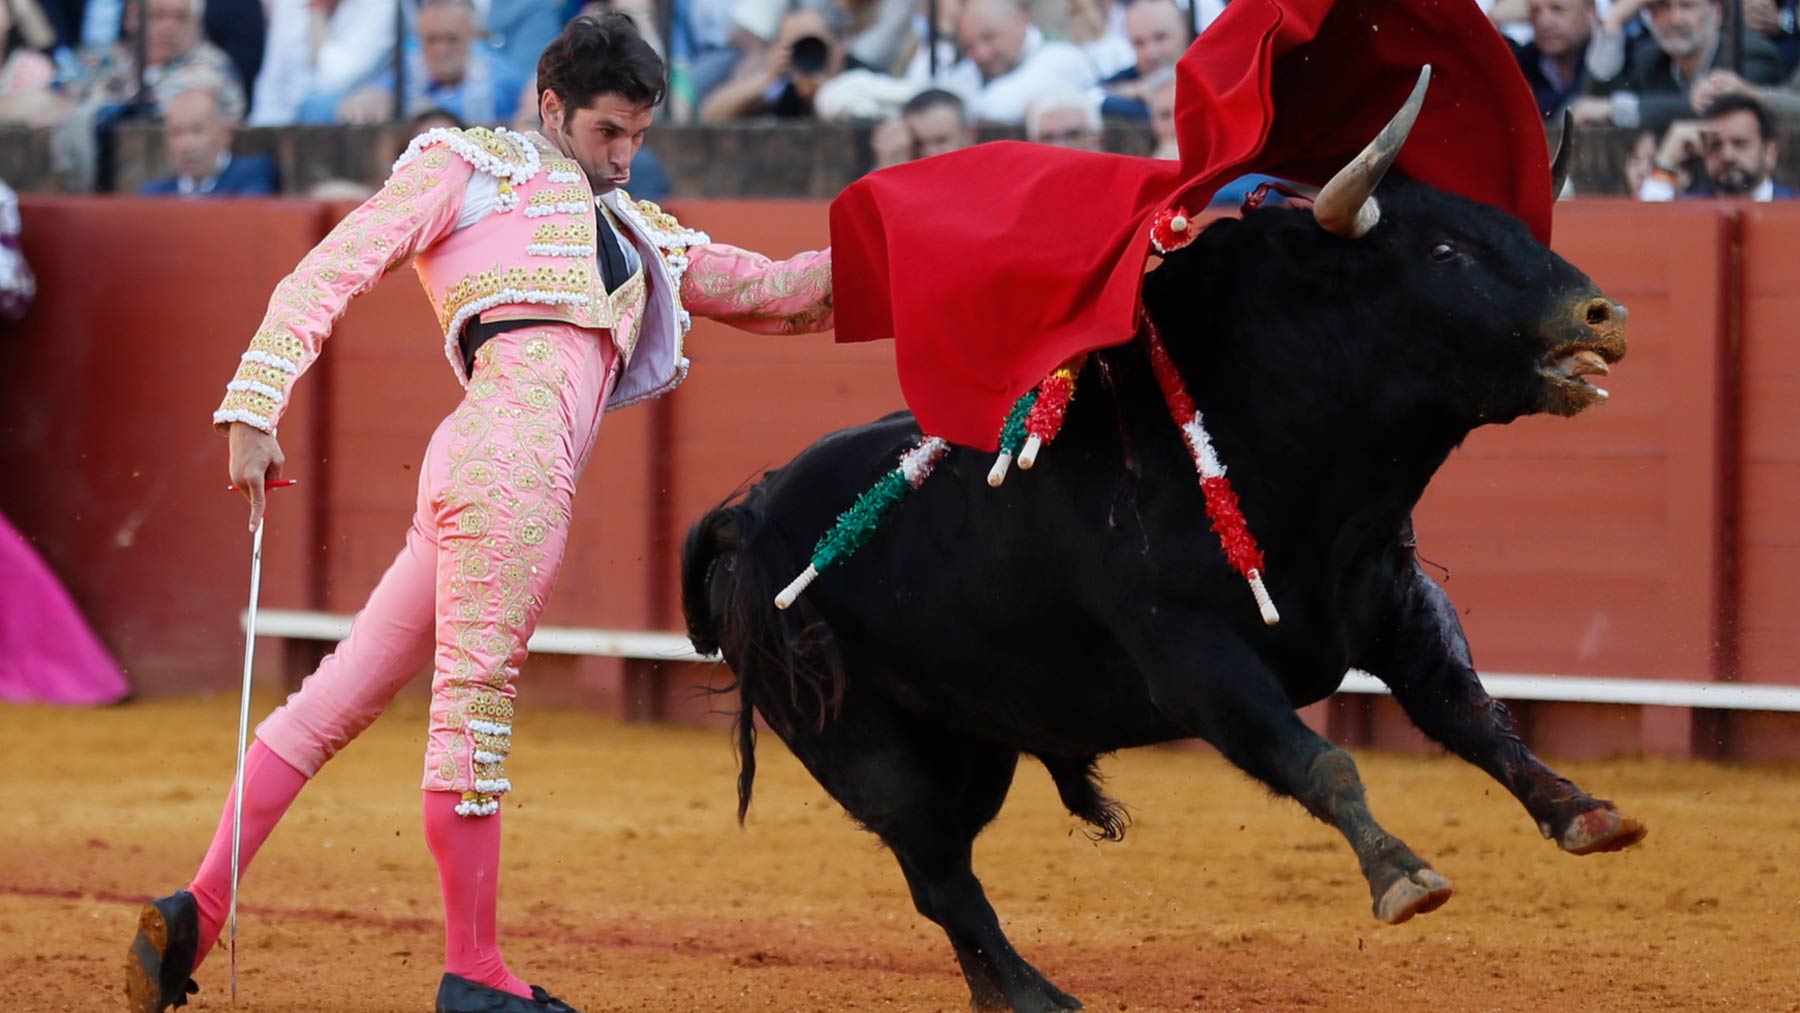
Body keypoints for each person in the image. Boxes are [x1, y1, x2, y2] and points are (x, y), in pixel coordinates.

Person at [123, 13, 833, 1013]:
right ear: (551, 107)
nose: (625, 157)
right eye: (605, 133)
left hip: (483, 463)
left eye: (637, 134)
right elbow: (334, 265)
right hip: (509, 463)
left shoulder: (639, 228)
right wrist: (252, 405)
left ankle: (194, 905)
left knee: (339, 698)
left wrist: (911, 254)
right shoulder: (469, 165)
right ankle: (474, 971)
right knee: (475, 703)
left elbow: (777, 292)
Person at [138, 68, 278, 196]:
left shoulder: (252, 175)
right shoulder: (155, 195)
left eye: (197, 131)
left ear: (226, 133)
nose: (186, 145)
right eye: (176, 133)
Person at [1639, 92, 1798, 198]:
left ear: (1770, 152)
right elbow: (1647, 237)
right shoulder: (1691, 212)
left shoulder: (1793, 210)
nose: (1727, 156)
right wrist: (1666, 163)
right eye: (1716, 145)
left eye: (1740, 144)